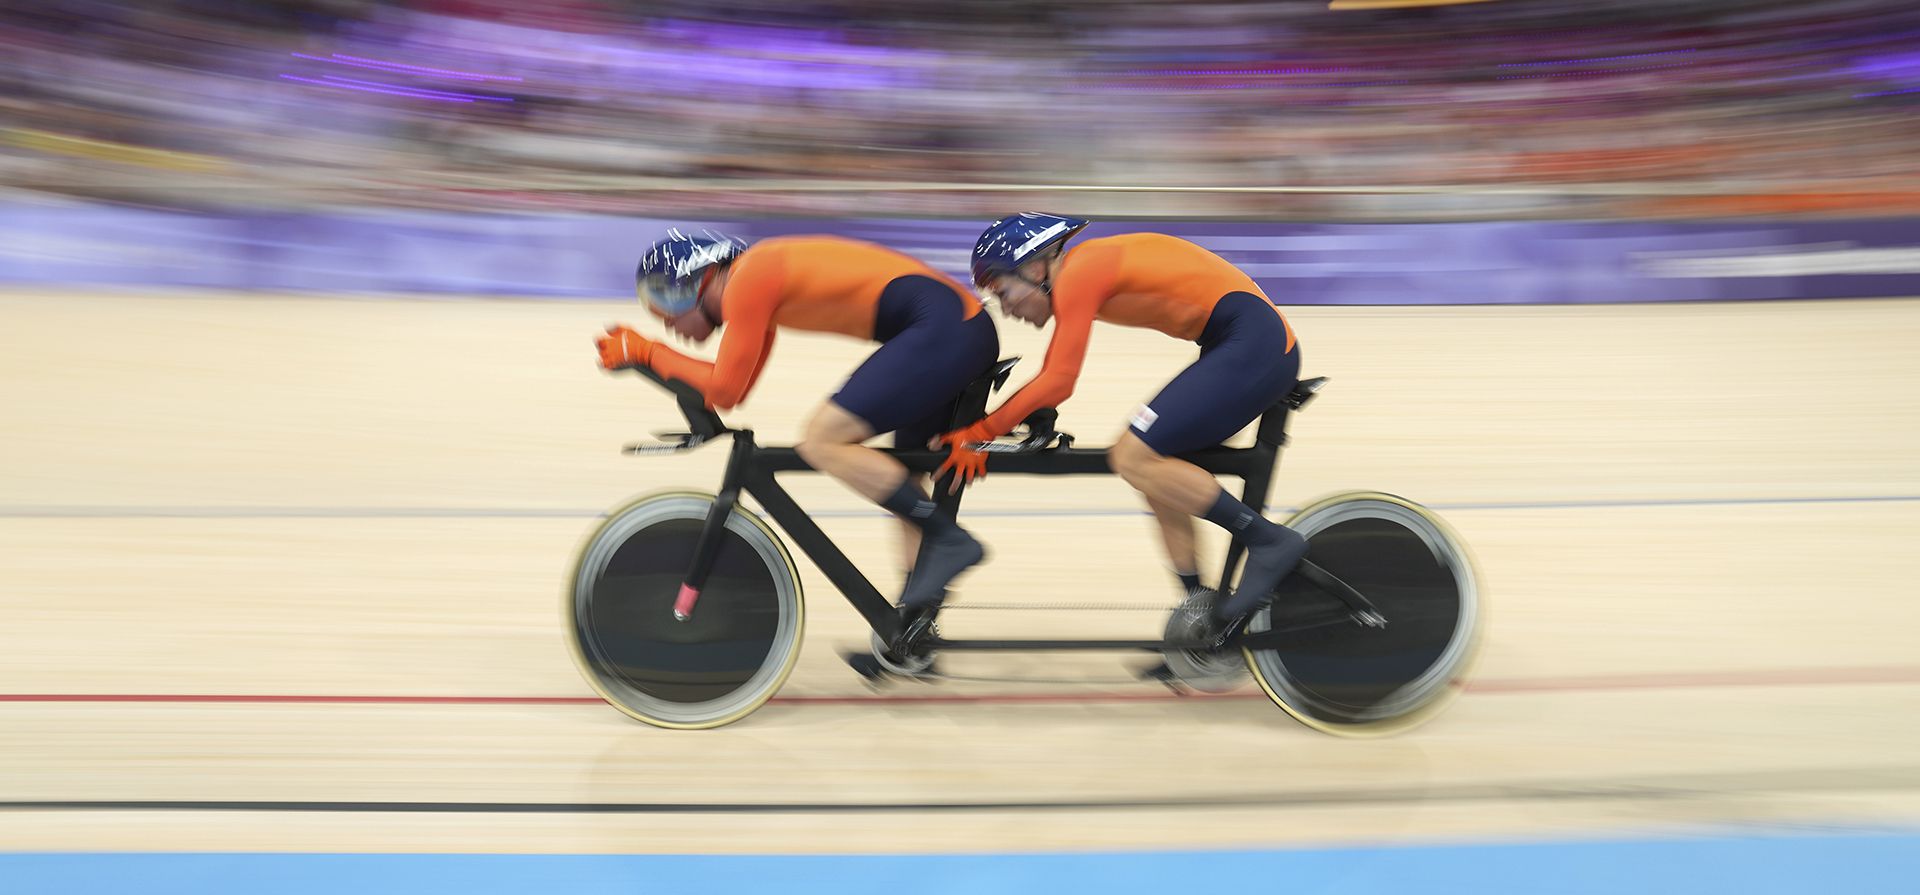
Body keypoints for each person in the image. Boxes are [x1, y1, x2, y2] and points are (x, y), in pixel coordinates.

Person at [597, 229, 1000, 630]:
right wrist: (651, 358)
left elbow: (723, 387)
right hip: (950, 328)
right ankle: (913, 631)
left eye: (667, 300)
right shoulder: (757, 286)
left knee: (823, 440)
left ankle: (949, 539)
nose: (666, 320)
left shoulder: (749, 277)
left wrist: (647, 351)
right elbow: (732, 392)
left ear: (701, 279)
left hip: (945, 330)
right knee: (903, 479)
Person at [939, 213, 1309, 645]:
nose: (1006, 308)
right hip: (1243, 341)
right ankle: (1201, 618)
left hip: (1255, 343)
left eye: (1003, 291)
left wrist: (981, 430)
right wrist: (1019, 416)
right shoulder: (1084, 269)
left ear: (1035, 267)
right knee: (1157, 471)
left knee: (1132, 456)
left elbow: (1059, 379)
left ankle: (1268, 541)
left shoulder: (1079, 270)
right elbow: (1054, 381)